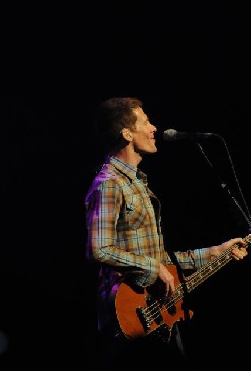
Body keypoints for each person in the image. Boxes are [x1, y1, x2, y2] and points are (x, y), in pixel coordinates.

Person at [84, 97, 248, 371]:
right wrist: (154, 268)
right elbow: (97, 249)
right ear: (126, 133)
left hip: (159, 313)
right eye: (145, 122)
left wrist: (218, 251)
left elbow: (163, 260)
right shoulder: (109, 184)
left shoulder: (138, 183)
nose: (153, 128)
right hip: (131, 322)